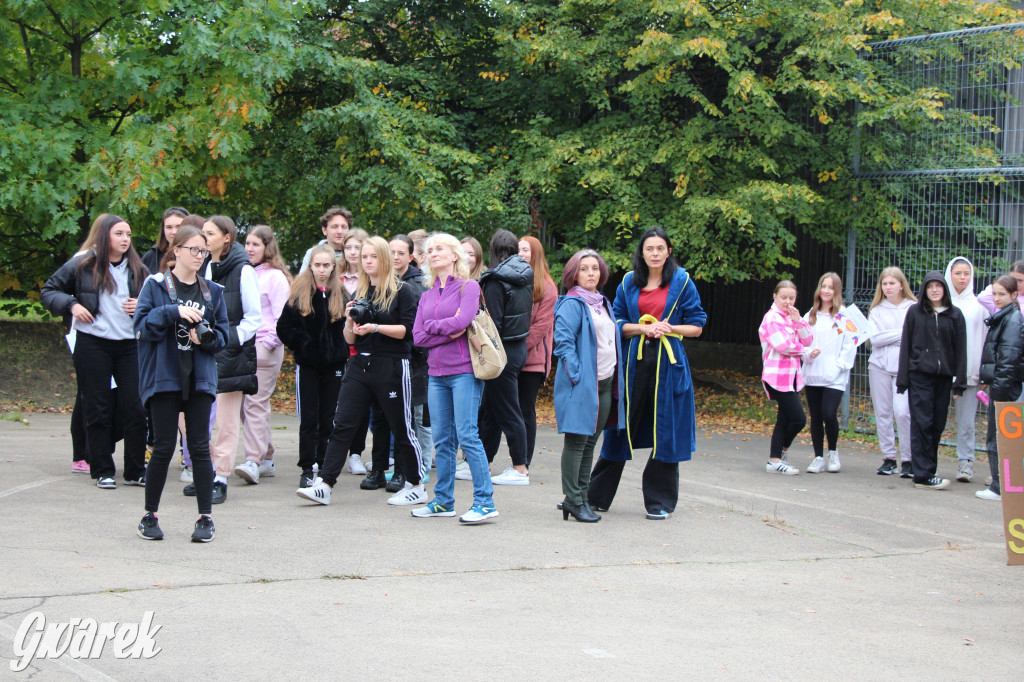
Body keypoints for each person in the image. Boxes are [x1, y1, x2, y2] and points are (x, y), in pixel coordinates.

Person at [296, 236, 426, 507]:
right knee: (342, 424)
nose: (367, 261)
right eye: (364, 257)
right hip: (359, 364)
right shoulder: (359, 294)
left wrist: (376, 327)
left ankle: (416, 484)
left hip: (391, 364)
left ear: (385, 259)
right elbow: (350, 339)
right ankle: (325, 484)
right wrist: (348, 322)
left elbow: (408, 332)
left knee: (401, 427)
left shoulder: (404, 291)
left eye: (373, 257)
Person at [588, 227, 706, 519]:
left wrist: (669, 328)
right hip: (633, 364)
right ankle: (595, 497)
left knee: (666, 432)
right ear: (642, 252)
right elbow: (616, 322)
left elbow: (698, 324)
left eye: (660, 249)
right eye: (649, 249)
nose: (655, 254)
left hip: (669, 365)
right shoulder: (629, 282)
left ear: (668, 251)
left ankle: (660, 503)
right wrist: (643, 328)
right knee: (619, 430)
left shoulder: (683, 282)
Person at [134, 225, 230, 542]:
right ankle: (150, 516)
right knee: (162, 447)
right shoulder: (156, 286)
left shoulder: (212, 292)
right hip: (165, 378)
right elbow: (142, 326)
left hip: (199, 378)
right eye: (194, 250)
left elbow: (224, 337)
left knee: (200, 448)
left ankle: (205, 518)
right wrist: (173, 311)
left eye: (204, 251)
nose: (200, 256)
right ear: (176, 251)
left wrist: (205, 339)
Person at [41, 214, 149, 489]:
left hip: (129, 346)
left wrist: (142, 307)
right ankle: (102, 469)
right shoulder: (82, 263)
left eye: (128, 234)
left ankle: (136, 471)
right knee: (97, 407)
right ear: (104, 236)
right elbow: (50, 291)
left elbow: (155, 304)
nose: (125, 239)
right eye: (119, 234)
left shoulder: (138, 268)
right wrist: (72, 305)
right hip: (93, 343)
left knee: (135, 408)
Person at [411, 233, 498, 523]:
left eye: (439, 249)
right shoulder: (426, 294)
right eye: (429, 250)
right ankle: (444, 501)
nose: (433, 253)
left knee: (467, 435)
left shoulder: (469, 287)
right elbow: (418, 337)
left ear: (454, 255)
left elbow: (463, 322)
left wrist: (435, 327)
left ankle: (484, 502)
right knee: (442, 440)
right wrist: (445, 331)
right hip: (436, 375)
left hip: (464, 372)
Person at [187, 215, 261, 504]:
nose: (204, 239)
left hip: (230, 354)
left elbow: (254, 318)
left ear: (226, 237)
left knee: (227, 421)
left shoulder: (243, 271)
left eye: (210, 233)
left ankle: (220, 477)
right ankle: (205, 473)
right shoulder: (202, 267)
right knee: (195, 417)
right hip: (201, 351)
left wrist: (227, 340)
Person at [359, 235, 431, 491]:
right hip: (379, 359)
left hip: (408, 360)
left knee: (404, 420)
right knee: (379, 417)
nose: (395, 257)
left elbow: (414, 328)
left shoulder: (414, 285)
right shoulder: (372, 286)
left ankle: (403, 471)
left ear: (411, 256)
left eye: (401, 252)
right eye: (391, 252)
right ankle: (379, 469)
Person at [553, 250, 620, 523]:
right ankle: (573, 500)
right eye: (584, 269)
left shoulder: (602, 302)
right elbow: (563, 342)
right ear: (574, 274)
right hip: (582, 383)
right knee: (577, 440)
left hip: (606, 382)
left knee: (591, 442)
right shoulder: (572, 303)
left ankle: (582, 498)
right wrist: (577, 375)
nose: (591, 273)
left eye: (595, 268)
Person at [276, 245, 349, 488]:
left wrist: (339, 351)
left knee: (329, 417)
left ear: (333, 267)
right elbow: (284, 328)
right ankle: (307, 467)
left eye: (326, 265)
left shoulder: (342, 294)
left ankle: (325, 465)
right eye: (317, 265)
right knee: (309, 419)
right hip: (308, 366)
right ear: (310, 266)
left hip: (334, 366)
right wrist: (304, 345)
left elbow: (348, 329)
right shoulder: (300, 293)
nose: (321, 270)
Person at [897, 271, 967, 490]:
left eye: (939, 286)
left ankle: (929, 468)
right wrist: (903, 379)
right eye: (930, 286)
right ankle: (922, 475)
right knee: (922, 423)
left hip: (944, 377)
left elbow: (961, 349)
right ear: (925, 290)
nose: (935, 290)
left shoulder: (955, 315)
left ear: (945, 289)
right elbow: (906, 345)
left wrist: (960, 380)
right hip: (920, 376)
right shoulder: (915, 313)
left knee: (937, 424)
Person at [233, 225, 292, 485]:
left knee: (254, 403)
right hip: (243, 346)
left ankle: (253, 461)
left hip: (265, 347)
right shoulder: (245, 273)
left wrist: (268, 344)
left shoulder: (276, 277)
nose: (249, 248)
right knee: (246, 407)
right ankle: (266, 457)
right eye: (247, 243)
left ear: (268, 247)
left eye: (256, 244)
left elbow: (283, 318)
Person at [479, 229, 534, 485]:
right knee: (491, 408)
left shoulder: (494, 280)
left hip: (500, 350)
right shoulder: (525, 275)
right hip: (518, 346)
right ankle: (482, 461)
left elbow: (492, 323)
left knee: (509, 409)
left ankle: (520, 467)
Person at [800, 273, 857, 474]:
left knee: (829, 413)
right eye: (823, 286)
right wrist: (809, 353)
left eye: (831, 287)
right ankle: (818, 457)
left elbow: (850, 345)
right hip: (814, 373)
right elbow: (802, 341)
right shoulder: (810, 315)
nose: (826, 291)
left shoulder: (843, 316)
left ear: (837, 291)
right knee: (815, 416)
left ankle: (833, 451)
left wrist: (838, 364)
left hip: (834, 376)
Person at [757, 280, 812, 476]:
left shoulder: (791, 317)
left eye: (792, 298)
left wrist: (798, 320)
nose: (788, 302)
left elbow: (808, 338)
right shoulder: (772, 318)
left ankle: (775, 459)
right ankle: (779, 455)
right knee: (798, 418)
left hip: (792, 377)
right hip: (777, 376)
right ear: (775, 297)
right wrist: (806, 351)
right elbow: (783, 346)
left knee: (784, 419)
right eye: (784, 298)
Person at [976, 274, 1023, 501]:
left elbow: (1008, 360)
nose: (996, 298)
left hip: (1004, 390)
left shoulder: (1012, 320)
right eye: (994, 293)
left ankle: (998, 487)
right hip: (1000, 386)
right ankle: (1000, 484)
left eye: (1002, 294)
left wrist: (1000, 394)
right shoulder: (1005, 316)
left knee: (997, 439)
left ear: (1014, 295)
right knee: (998, 438)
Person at [867, 267, 917, 477]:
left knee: (903, 412)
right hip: (879, 366)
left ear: (901, 285)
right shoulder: (877, 310)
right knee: (883, 413)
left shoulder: (913, 308)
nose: (888, 287)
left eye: (891, 283)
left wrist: (894, 336)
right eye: (884, 284)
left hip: (905, 367)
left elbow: (916, 336)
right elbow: (875, 339)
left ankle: (908, 459)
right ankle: (889, 458)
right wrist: (903, 334)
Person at [944, 256, 986, 483]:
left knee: (967, 421)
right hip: (941, 372)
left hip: (969, 372)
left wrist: (982, 370)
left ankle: (966, 462)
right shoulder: (941, 303)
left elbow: (984, 339)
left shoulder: (979, 306)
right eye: (958, 273)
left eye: (966, 273)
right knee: (933, 419)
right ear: (949, 274)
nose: (962, 278)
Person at [518, 235, 557, 468]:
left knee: (525, 410)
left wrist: (514, 348)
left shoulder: (547, 287)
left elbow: (541, 327)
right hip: (512, 359)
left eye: (525, 250)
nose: (521, 254)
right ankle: (516, 460)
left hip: (532, 361)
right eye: (518, 250)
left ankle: (524, 463)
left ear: (536, 254)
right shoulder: (516, 282)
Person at [337, 227, 372, 475]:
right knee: (339, 406)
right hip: (336, 346)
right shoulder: (335, 276)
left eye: (357, 248)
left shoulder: (369, 279)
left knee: (360, 408)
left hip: (360, 349)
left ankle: (356, 453)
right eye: (348, 247)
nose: (352, 252)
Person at [298, 206, 352, 274]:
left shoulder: (355, 254)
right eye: (334, 227)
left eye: (344, 227)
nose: (339, 231)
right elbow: (302, 281)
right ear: (324, 230)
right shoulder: (312, 253)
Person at [141, 207, 189, 274]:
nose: (173, 232)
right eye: (169, 227)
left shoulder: (198, 256)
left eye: (178, 226)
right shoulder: (151, 257)